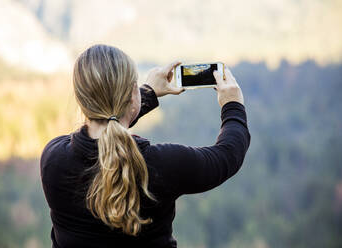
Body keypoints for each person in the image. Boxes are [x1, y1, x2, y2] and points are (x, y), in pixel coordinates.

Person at [40, 44, 251, 248]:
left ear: (81, 99)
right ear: (133, 94)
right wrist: (233, 104)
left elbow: (108, 123)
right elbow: (227, 155)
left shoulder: (53, 159)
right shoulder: (163, 165)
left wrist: (147, 93)